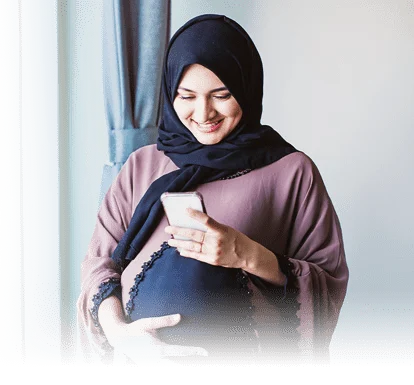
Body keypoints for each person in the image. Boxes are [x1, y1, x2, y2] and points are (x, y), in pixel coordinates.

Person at [77, 14, 349, 368]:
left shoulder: (292, 171)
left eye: (222, 95)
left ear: (246, 89)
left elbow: (327, 285)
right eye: (186, 96)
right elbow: (99, 265)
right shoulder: (141, 165)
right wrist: (117, 330)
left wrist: (247, 254)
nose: (203, 113)